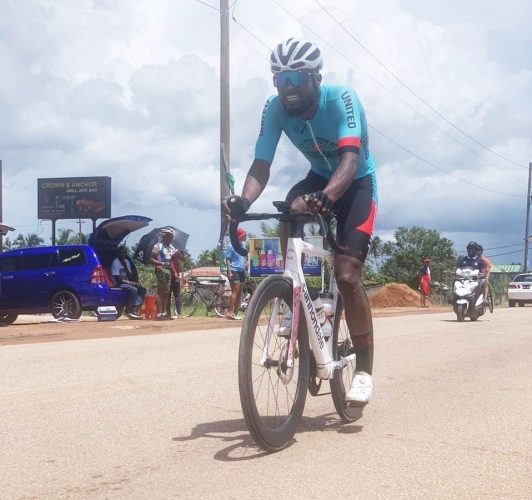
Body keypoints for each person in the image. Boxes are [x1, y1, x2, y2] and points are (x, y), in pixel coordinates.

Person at [224, 38, 378, 405]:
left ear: (316, 77)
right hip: (319, 175)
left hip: (354, 182)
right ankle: (295, 296)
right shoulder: (275, 108)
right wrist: (243, 200)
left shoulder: (341, 99)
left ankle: (365, 371)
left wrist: (328, 196)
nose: (288, 89)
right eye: (280, 79)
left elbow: (350, 161)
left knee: (346, 275)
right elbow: (262, 163)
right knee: (290, 207)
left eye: (296, 79)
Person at [110, 245, 146, 319]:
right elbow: (118, 279)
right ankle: (129, 310)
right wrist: (131, 283)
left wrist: (125, 266)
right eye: (122, 253)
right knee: (133, 290)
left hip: (126, 282)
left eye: (125, 253)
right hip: (118, 284)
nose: (124, 254)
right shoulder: (115, 262)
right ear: (119, 253)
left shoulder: (127, 262)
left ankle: (135, 309)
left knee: (142, 289)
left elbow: (130, 276)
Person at [150, 228, 177, 321]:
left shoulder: (170, 248)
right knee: (161, 290)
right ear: (164, 237)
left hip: (168, 270)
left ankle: (164, 312)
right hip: (160, 269)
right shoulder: (158, 246)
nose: (171, 239)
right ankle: (158, 313)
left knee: (167, 291)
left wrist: (175, 272)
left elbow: (170, 262)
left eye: (172, 237)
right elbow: (151, 258)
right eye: (170, 237)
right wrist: (160, 264)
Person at [225, 228, 248, 320]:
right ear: (239, 236)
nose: (245, 237)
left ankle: (236, 312)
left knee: (240, 291)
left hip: (241, 270)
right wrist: (229, 271)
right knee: (235, 290)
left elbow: (244, 256)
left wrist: (246, 262)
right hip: (233, 269)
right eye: (244, 235)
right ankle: (230, 312)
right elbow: (228, 259)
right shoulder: (231, 246)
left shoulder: (243, 245)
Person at [166, 247, 187, 319]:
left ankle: (176, 314)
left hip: (173, 275)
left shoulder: (173, 250)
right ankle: (171, 314)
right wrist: (174, 272)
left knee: (175, 295)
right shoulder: (170, 250)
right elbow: (170, 262)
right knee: (171, 295)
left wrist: (183, 252)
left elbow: (183, 259)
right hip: (170, 275)